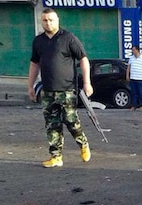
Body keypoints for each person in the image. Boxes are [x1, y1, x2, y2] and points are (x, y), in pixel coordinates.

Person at [28, 8, 92, 168]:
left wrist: (87, 82)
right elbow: (34, 64)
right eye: (45, 20)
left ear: (57, 20)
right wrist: (30, 85)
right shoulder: (38, 41)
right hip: (48, 90)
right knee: (52, 124)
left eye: (51, 20)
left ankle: (83, 143)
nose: (48, 23)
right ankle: (56, 156)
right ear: (41, 21)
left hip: (67, 89)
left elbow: (83, 59)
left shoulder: (68, 38)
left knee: (71, 120)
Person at [127, 45, 142, 111]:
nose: (133, 51)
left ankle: (141, 105)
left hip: (139, 78)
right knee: (133, 92)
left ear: (137, 50)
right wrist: (127, 75)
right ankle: (134, 106)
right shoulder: (131, 58)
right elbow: (128, 68)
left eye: (134, 50)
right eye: (132, 50)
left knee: (140, 92)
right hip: (133, 77)